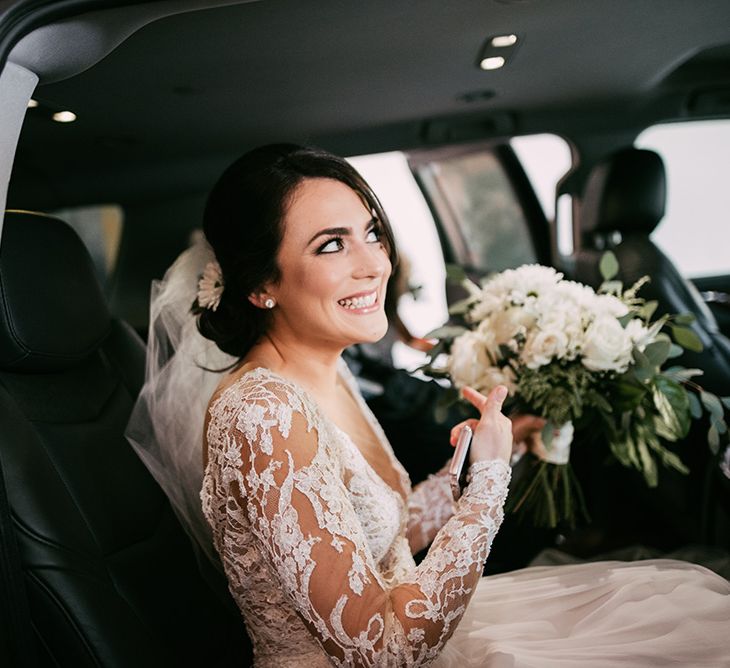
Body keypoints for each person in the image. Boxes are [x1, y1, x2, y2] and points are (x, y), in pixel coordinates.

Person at [129, 144, 730, 667]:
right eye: (331, 245)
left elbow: (384, 532)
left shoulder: (322, 372)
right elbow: (382, 650)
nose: (374, 264)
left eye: (371, 232)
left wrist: (475, 463)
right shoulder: (262, 415)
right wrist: (489, 486)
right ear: (262, 284)